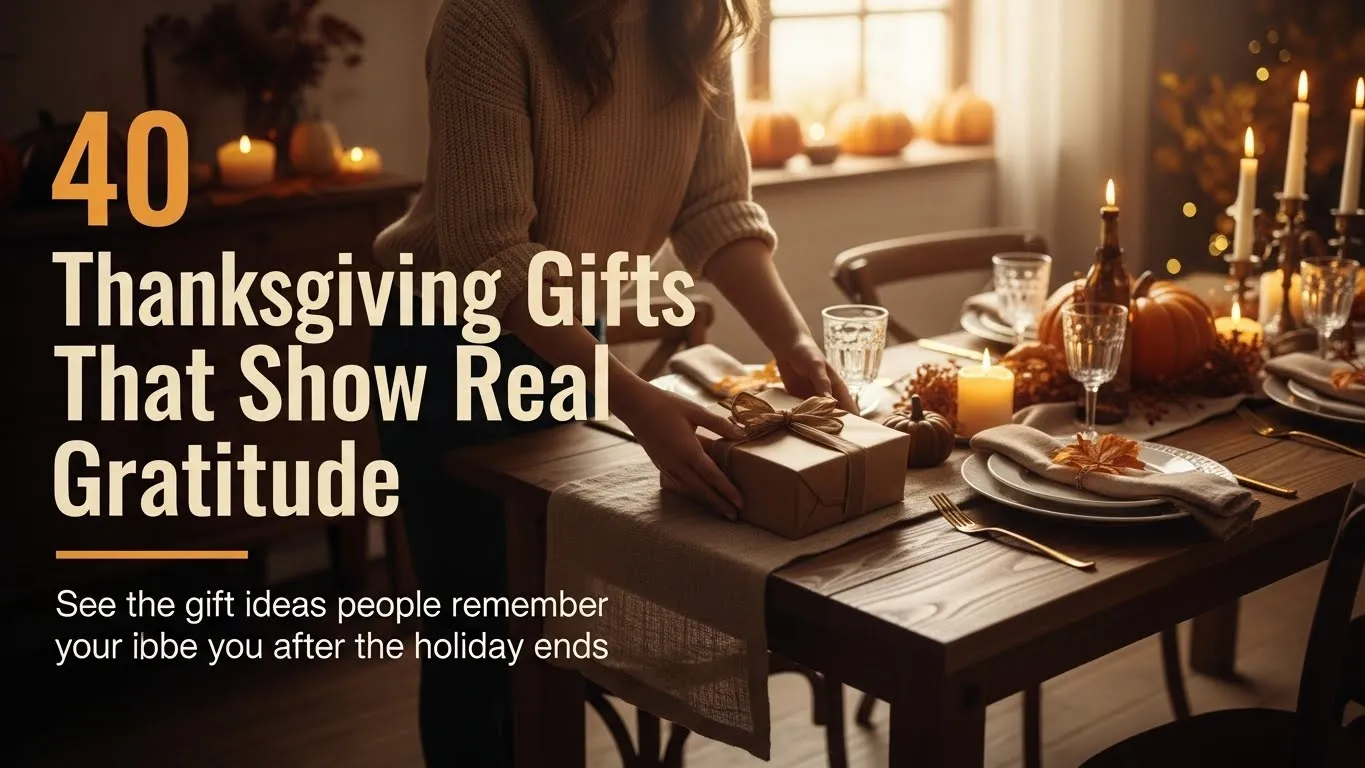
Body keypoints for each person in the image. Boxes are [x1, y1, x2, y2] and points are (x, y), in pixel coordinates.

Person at [369, 0, 854, 763]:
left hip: (565, 333)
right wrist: (634, 399)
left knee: (561, 618)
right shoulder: (483, 18)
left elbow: (714, 206)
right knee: (477, 642)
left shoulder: (696, 17)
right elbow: (492, 253)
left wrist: (792, 341)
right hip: (445, 345)